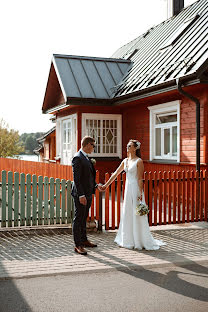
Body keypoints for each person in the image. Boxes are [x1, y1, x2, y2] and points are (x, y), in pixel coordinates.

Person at [101, 139, 166, 250]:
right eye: (127, 145)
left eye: (130, 145)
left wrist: (140, 193)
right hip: (127, 188)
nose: (127, 147)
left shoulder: (139, 161)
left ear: (135, 148)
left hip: (135, 188)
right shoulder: (125, 161)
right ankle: (127, 239)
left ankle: (139, 240)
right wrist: (105, 185)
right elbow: (116, 173)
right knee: (127, 212)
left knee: (137, 214)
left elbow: (140, 178)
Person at [71, 136, 102, 255]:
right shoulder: (77, 158)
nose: (94, 148)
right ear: (88, 144)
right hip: (81, 195)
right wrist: (81, 195)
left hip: (88, 193)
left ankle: (84, 240)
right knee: (78, 218)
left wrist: (95, 186)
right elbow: (77, 179)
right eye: (93, 145)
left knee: (84, 217)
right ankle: (78, 245)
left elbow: (88, 177)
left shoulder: (86, 157)